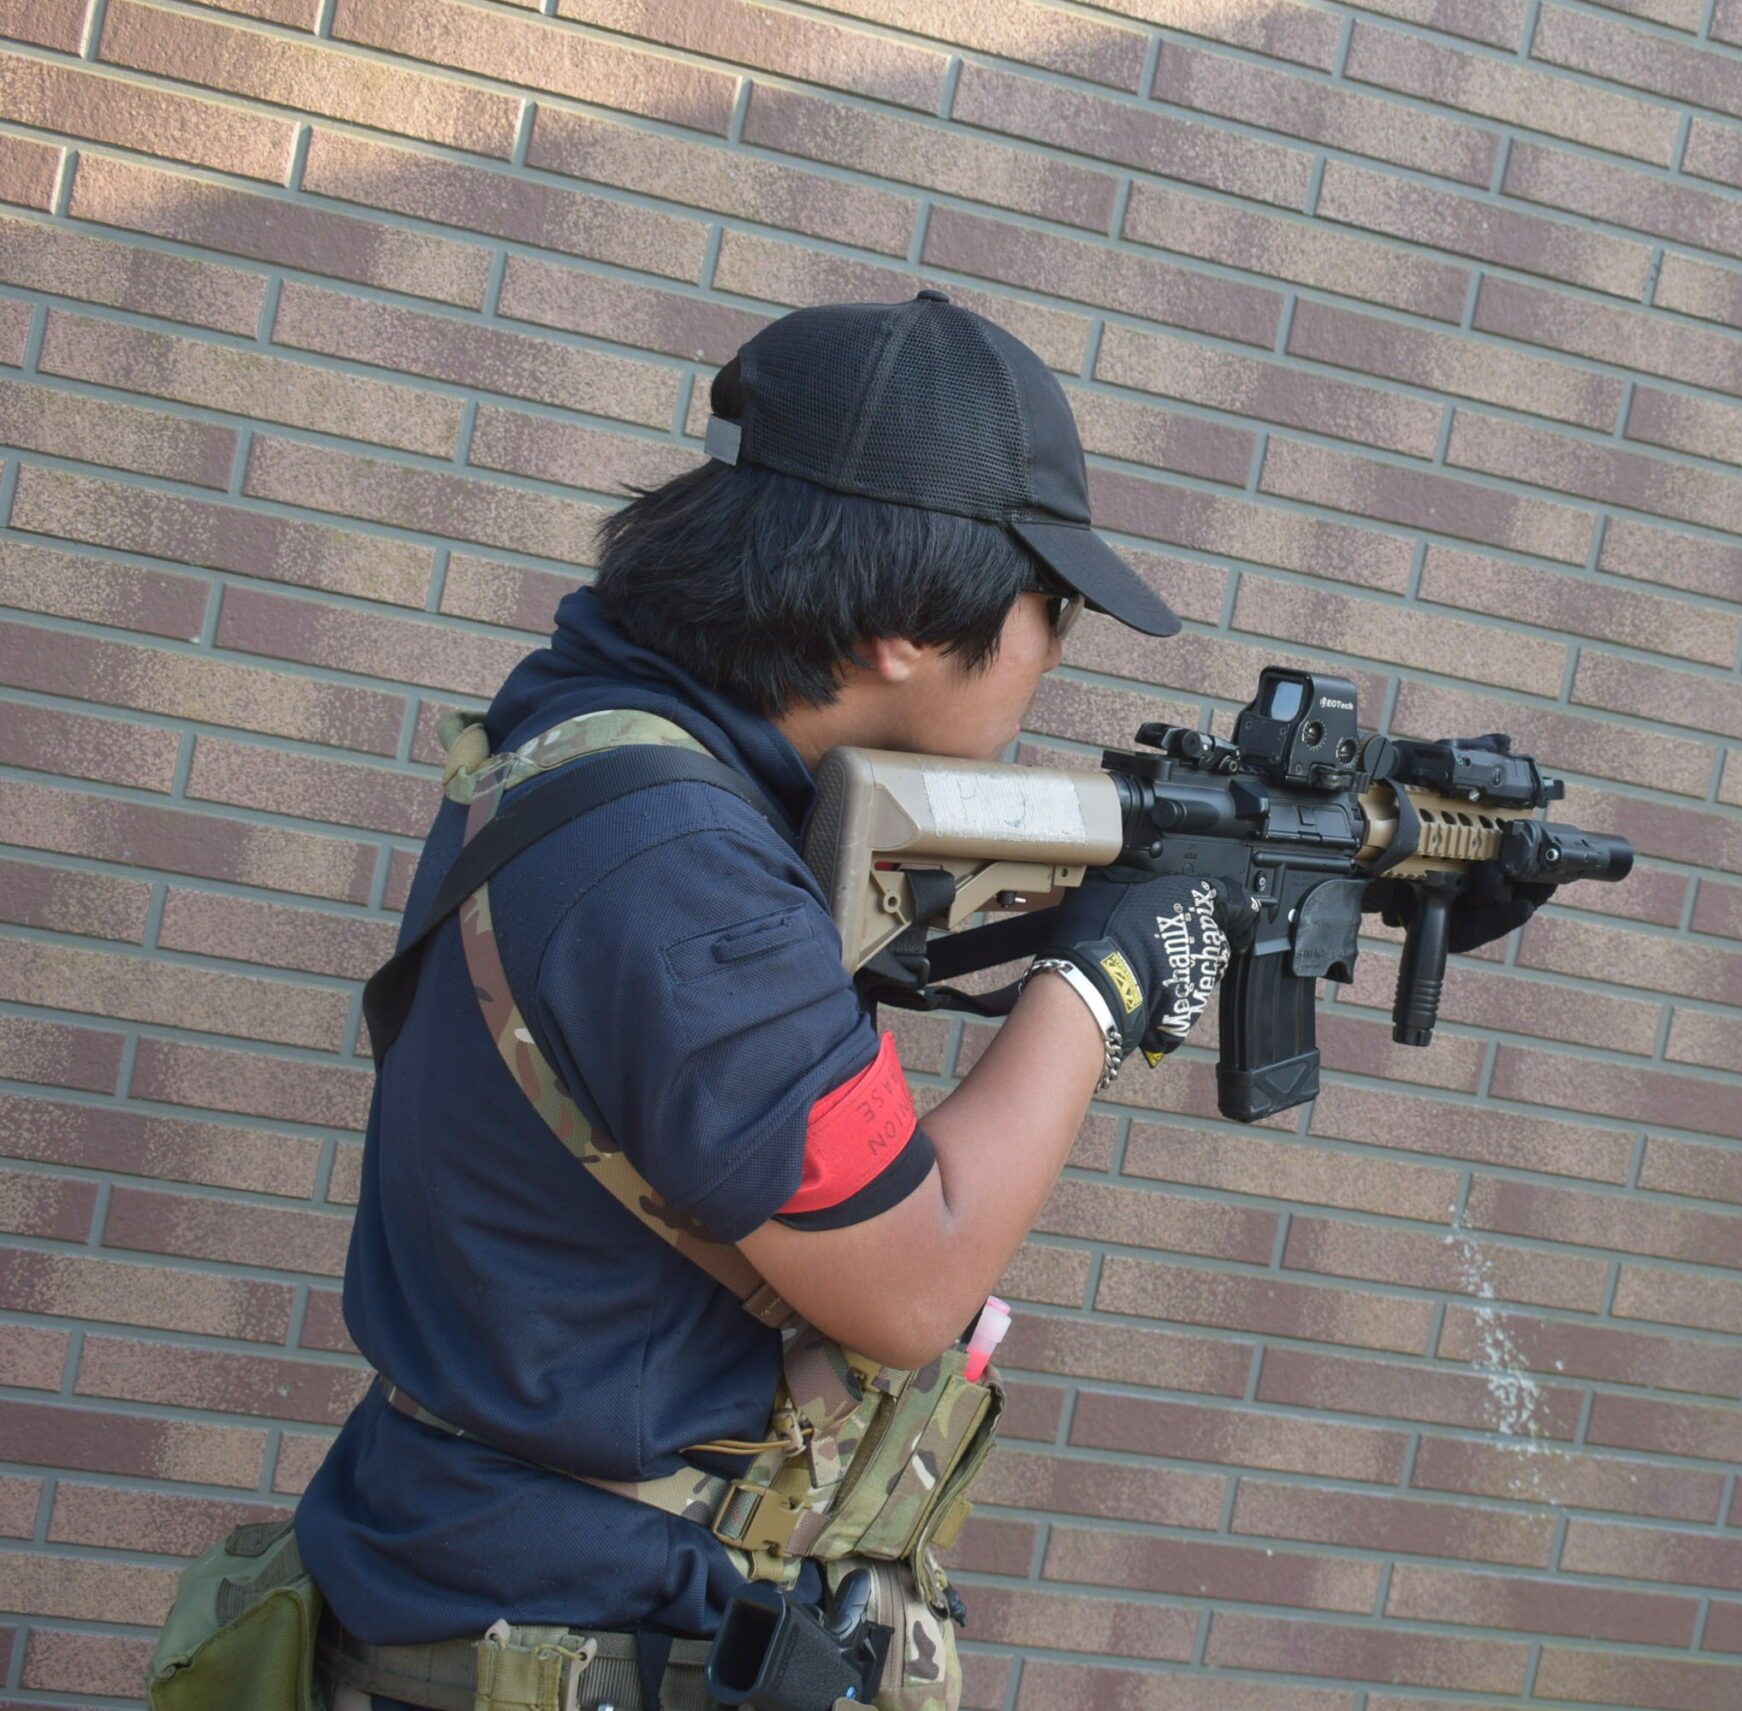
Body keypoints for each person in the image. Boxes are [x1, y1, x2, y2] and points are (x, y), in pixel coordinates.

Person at [293, 293, 1241, 1709]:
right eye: (1053, 605)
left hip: (504, 1592)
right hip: (575, 1643)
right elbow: (915, 1286)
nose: (1055, 646)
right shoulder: (689, 879)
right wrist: (1105, 983)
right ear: (903, 624)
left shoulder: (588, 727)